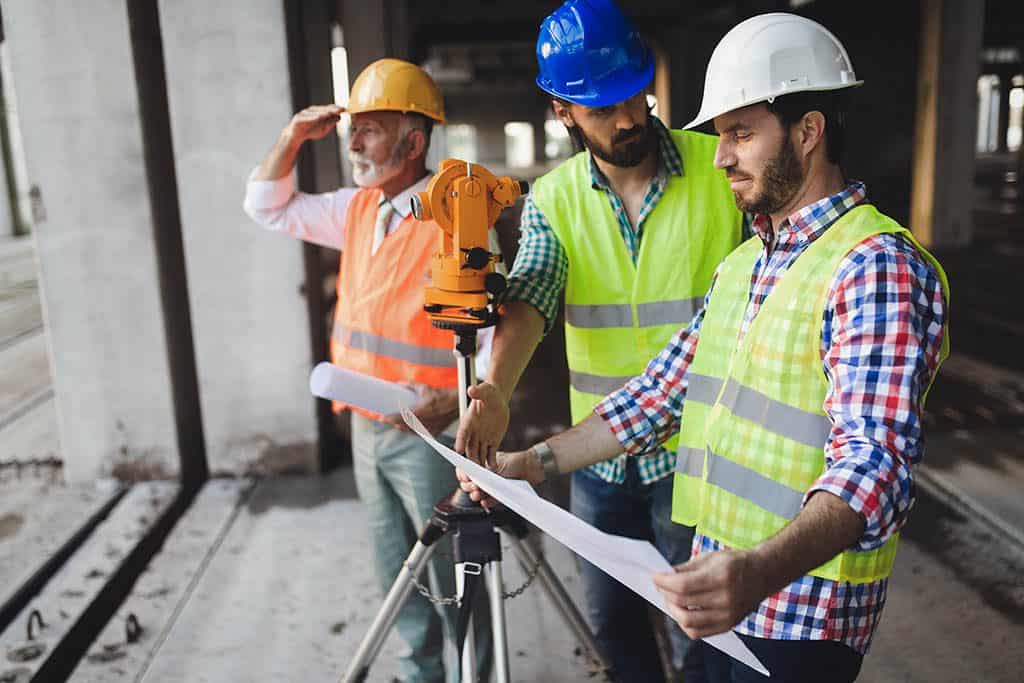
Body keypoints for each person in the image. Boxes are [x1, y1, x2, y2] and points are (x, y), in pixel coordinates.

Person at [459, 12, 949, 683]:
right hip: (731, 587)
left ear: (809, 132)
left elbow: (876, 466)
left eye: (741, 133)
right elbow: (657, 397)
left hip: (799, 612)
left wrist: (758, 569)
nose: (720, 157)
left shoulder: (873, 265)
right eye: (720, 136)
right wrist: (530, 462)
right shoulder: (747, 263)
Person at [455, 0, 743, 679]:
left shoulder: (719, 170)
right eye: (603, 108)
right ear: (562, 110)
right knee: (615, 637)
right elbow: (533, 291)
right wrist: (494, 388)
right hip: (598, 466)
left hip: (698, 457)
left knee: (703, 642)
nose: (628, 119)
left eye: (635, 96)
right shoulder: (554, 199)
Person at [243, 58, 490, 683]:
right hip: (366, 429)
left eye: (370, 129)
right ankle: (419, 674)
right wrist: (292, 138)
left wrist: (462, 411)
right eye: (353, 128)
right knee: (395, 573)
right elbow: (265, 206)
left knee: (450, 578)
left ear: (413, 141)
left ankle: (474, 675)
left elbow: (490, 338)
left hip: (429, 434)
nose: (353, 141)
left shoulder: (455, 218)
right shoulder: (358, 210)